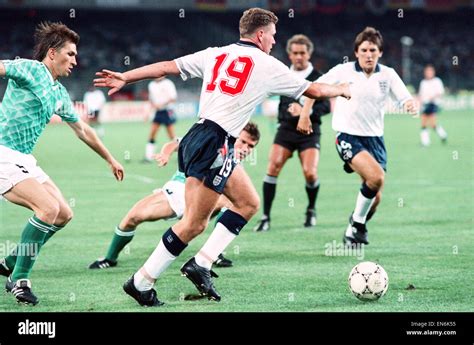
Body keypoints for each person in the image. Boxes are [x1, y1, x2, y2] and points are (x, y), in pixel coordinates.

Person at [94, 7, 350, 307]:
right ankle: (141, 282)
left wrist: (126, 76)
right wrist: (342, 89)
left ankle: (201, 264)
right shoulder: (267, 64)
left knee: (248, 203)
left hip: (200, 136)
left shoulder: (215, 53)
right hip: (215, 142)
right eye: (272, 36)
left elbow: (165, 67)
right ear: (260, 34)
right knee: (193, 224)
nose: (273, 42)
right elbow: (316, 90)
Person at [0, 22, 124, 305]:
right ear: (53, 53)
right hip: (2, 153)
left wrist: (110, 158)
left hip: (24, 159)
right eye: (70, 54)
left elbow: (82, 129)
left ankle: (10, 260)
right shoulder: (29, 69)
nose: (75, 61)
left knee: (63, 213)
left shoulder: (58, 93)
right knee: (48, 208)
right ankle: (19, 280)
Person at [299, 27, 417, 247]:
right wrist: (305, 114)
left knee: (375, 197)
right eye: (364, 50)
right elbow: (315, 88)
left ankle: (351, 228)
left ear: (380, 52)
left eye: (373, 50)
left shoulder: (388, 74)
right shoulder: (343, 71)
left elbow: (404, 98)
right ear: (356, 52)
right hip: (348, 136)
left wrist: (409, 104)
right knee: (377, 177)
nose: (369, 54)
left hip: (375, 140)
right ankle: (359, 225)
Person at [88, 122, 260, 270]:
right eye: (243, 142)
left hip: (200, 201)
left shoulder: (236, 171)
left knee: (231, 202)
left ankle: (214, 253)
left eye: (251, 146)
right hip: (176, 193)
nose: (245, 148)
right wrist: (165, 153)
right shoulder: (212, 139)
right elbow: (175, 143)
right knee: (131, 218)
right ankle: (110, 258)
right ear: (235, 136)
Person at [254, 34, 330, 232]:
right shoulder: (283, 74)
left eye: (302, 53)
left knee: (310, 173)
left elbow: (327, 106)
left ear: (309, 54)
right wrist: (288, 112)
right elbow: (278, 102)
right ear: (289, 54)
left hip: (310, 131)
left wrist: (307, 111)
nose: (298, 57)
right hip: (286, 130)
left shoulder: (319, 77)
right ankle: (265, 217)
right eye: (295, 53)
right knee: (272, 168)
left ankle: (311, 210)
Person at [144, 77, 177, 162]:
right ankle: (148, 157)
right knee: (152, 133)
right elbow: (151, 100)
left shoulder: (168, 83)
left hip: (167, 111)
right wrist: (148, 112)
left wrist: (161, 104)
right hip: (158, 112)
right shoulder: (151, 85)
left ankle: (183, 155)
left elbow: (173, 98)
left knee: (171, 136)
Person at [418, 64, 447, 147]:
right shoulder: (423, 82)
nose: (428, 73)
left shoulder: (437, 81)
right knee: (432, 124)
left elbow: (440, 92)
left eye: (430, 71)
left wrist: (432, 97)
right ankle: (443, 135)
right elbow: (421, 95)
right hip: (425, 104)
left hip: (434, 104)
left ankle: (425, 142)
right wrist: (419, 102)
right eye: (427, 71)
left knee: (424, 122)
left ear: (433, 72)